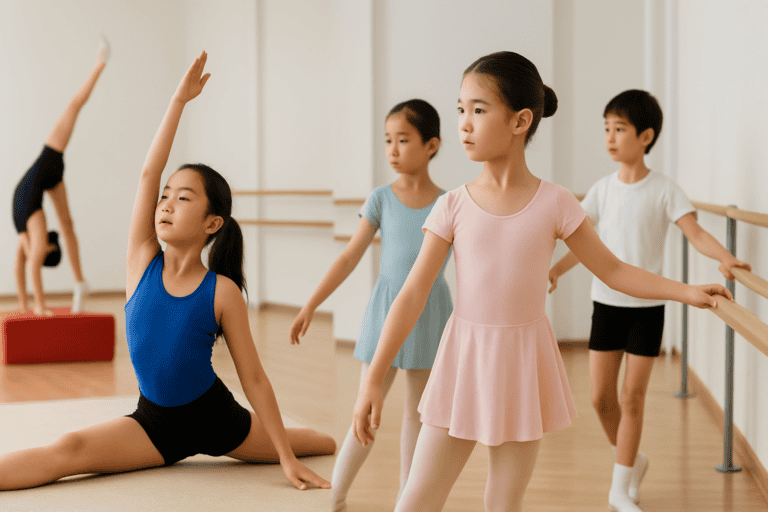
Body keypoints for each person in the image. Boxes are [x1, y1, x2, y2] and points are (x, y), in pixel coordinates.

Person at [351, 51, 733, 512]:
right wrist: (374, 377)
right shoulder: (453, 205)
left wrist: (687, 291)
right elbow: (412, 295)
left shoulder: (555, 203)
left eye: (478, 109)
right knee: (415, 501)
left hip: (521, 366)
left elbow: (612, 270)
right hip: (462, 361)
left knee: (503, 503)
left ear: (520, 121)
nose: (464, 124)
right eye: (459, 110)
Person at [0, 51, 335, 492]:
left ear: (212, 223)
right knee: (69, 449)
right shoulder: (141, 259)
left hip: (217, 419)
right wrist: (177, 102)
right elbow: (147, 174)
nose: (166, 204)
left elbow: (253, 377)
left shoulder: (223, 292)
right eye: (166, 196)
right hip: (154, 423)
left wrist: (287, 457)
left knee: (321, 442)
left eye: (184, 199)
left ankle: (305, 441)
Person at [547, 89, 751, 511]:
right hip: (606, 305)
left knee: (631, 398)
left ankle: (619, 487)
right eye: (606, 128)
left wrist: (726, 258)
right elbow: (583, 244)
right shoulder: (602, 190)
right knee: (600, 399)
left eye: (619, 129)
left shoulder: (664, 189)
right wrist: (554, 271)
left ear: (645, 136)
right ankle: (633, 461)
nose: (609, 137)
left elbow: (695, 233)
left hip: (647, 310)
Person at [289, 99, 452, 511]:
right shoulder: (381, 198)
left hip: (432, 316)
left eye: (403, 140)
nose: (393, 149)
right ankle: (336, 496)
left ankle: (407, 501)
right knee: (364, 412)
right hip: (385, 315)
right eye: (388, 140)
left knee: (420, 418)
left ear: (431, 145)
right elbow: (348, 256)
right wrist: (311, 304)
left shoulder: (450, 203)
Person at [12, 39, 110, 315]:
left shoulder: (34, 237)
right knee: (67, 225)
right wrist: (35, 309)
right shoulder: (31, 235)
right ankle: (79, 282)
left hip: (38, 177)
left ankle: (100, 63)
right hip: (34, 187)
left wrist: (33, 308)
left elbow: (28, 265)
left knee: (74, 106)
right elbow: (25, 265)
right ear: (48, 249)